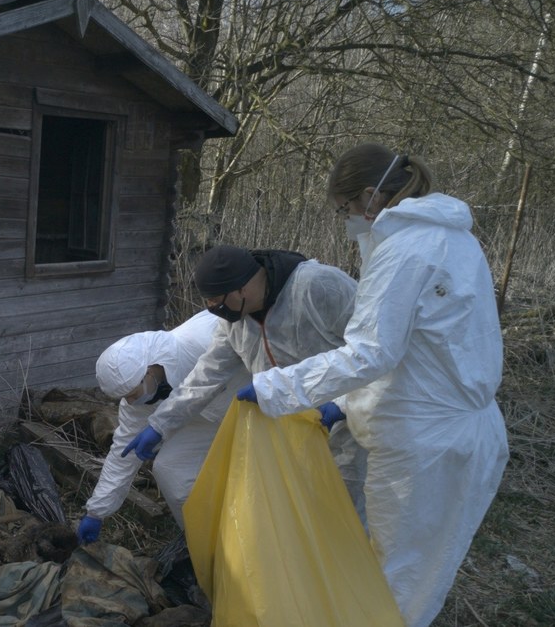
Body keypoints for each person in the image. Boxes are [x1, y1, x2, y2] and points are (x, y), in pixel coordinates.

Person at [238, 143, 509, 627]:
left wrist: (274, 388)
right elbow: (425, 350)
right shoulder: (454, 240)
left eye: (344, 210)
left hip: (423, 445)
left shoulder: (406, 249)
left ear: (369, 196)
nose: (346, 222)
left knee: (395, 582)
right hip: (461, 432)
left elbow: (371, 351)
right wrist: (343, 401)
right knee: (420, 573)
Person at [123, 245, 368, 516]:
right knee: (301, 512)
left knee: (349, 510)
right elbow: (206, 376)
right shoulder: (234, 321)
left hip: (350, 425)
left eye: (216, 300)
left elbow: (377, 349)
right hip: (290, 430)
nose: (212, 309)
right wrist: (160, 425)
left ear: (241, 288)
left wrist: (343, 404)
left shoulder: (317, 286)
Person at [75, 309, 240, 543]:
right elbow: (123, 455)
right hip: (204, 420)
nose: (131, 402)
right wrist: (96, 512)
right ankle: (206, 544)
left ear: (149, 369)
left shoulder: (204, 338)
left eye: (132, 394)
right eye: (125, 397)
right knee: (171, 468)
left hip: (256, 405)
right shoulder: (138, 401)